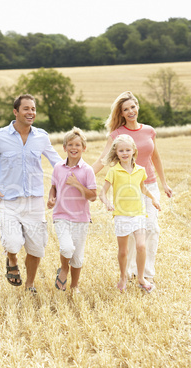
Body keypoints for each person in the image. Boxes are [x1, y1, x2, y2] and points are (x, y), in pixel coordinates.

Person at [0, 94, 62, 294]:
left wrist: (58, 187)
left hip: (34, 201)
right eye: (26, 109)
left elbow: (58, 164)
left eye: (33, 109)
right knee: (12, 242)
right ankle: (12, 259)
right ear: (15, 112)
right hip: (8, 201)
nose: (31, 112)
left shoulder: (42, 137)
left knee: (36, 248)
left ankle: (30, 285)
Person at [93, 91, 172, 282]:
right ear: (121, 113)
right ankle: (127, 272)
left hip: (149, 185)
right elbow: (103, 159)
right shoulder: (117, 134)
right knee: (129, 233)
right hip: (126, 190)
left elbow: (156, 158)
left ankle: (145, 274)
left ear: (137, 107)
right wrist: (80, 175)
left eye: (132, 107)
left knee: (152, 228)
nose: (130, 111)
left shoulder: (149, 131)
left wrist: (164, 183)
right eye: (125, 109)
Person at [99, 135, 161, 293]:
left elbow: (143, 188)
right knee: (124, 251)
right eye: (121, 150)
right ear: (116, 152)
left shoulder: (140, 170)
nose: (125, 153)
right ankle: (123, 277)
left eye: (128, 149)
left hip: (138, 214)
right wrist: (107, 203)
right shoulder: (113, 171)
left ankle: (141, 278)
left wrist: (154, 199)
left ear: (134, 150)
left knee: (141, 245)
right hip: (121, 215)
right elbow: (102, 193)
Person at [47, 127, 97, 292]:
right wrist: (51, 197)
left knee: (77, 257)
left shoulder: (87, 170)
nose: (74, 148)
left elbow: (93, 196)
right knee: (67, 248)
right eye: (70, 144)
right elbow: (53, 187)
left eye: (77, 145)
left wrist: (76, 184)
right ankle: (63, 268)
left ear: (84, 148)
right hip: (61, 215)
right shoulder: (58, 168)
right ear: (64, 148)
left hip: (81, 218)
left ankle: (74, 286)